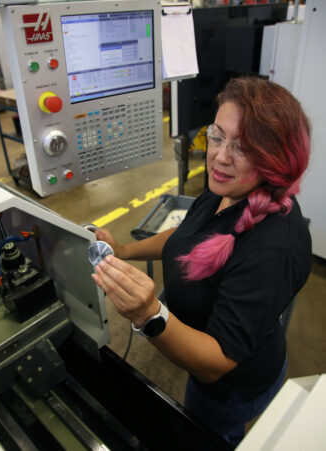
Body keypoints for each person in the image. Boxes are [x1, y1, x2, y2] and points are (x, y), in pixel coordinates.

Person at [91, 76, 312, 446]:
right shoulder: (225, 190)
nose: (220, 156)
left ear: (276, 160)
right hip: (214, 355)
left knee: (209, 432)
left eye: (243, 147)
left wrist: (150, 315)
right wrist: (123, 251)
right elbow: (184, 238)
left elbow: (214, 365)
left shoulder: (272, 250)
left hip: (230, 389)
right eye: (217, 135)